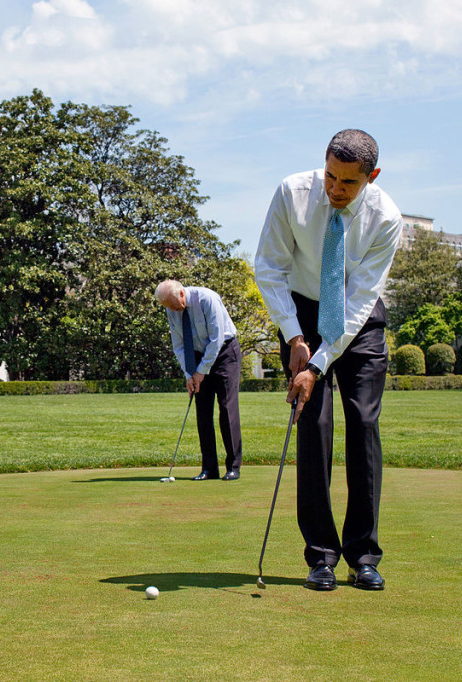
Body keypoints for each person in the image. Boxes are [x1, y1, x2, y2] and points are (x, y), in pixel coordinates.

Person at [254, 129, 403, 591]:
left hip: (358, 320)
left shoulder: (386, 218)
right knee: (313, 425)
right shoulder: (292, 192)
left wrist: (318, 363)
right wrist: (294, 334)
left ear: (371, 177)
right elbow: (269, 268)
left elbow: (358, 303)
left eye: (348, 183)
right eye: (330, 176)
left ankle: (364, 556)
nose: (335, 189)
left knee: (362, 424)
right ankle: (320, 557)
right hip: (299, 308)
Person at [155, 280, 243, 481]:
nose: (173, 310)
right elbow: (178, 345)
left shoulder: (207, 298)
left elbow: (216, 339)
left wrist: (201, 372)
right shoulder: (171, 309)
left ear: (182, 294)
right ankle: (209, 469)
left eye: (174, 305)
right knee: (202, 412)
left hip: (224, 354)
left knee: (227, 409)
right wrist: (189, 374)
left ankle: (233, 467)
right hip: (195, 356)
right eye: (168, 307)